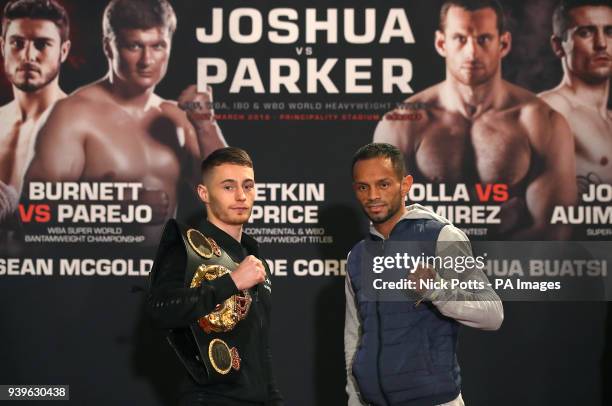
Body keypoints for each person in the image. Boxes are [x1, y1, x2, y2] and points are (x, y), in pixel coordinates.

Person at [22, 0, 227, 243]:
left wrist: (206, 125)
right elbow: (32, 210)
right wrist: (123, 208)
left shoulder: (177, 118)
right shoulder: (73, 115)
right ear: (109, 46)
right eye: (134, 46)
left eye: (158, 46)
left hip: (160, 276)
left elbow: (229, 200)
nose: (147, 60)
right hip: (96, 275)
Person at [373, 0, 576, 240]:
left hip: (509, 274)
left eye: (483, 39)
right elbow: (388, 227)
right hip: (427, 274)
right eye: (460, 39)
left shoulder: (541, 122)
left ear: (504, 43)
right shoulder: (402, 124)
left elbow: (554, 231)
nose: (471, 52)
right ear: (441, 43)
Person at [345, 143, 503, 406]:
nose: (373, 195)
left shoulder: (440, 236)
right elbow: (355, 334)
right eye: (364, 187)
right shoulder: (358, 256)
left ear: (405, 184)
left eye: (383, 184)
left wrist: (437, 292)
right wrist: (355, 398)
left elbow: (492, 313)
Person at [148, 147, 283, 406]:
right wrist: (231, 282)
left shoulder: (254, 259)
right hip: (207, 398)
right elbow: (160, 310)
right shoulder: (186, 248)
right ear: (204, 193)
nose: (241, 196)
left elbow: (259, 347)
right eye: (228, 187)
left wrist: (274, 400)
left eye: (248, 185)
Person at [0, 0, 70, 224]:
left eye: (42, 44)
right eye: (17, 43)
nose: (28, 55)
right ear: (2, 46)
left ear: (64, 50)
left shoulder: (83, 125)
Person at [539, 0, 612, 196]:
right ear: (558, 45)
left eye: (609, 32)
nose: (602, 44)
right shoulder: (549, 109)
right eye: (585, 32)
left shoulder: (608, 118)